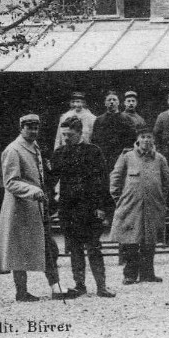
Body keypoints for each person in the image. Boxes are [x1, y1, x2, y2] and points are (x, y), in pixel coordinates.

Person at [0, 114, 79, 302]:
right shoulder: (13, 150)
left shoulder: (35, 147)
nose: (33, 131)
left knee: (49, 247)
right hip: (19, 208)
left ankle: (56, 288)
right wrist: (33, 190)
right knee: (18, 249)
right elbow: (10, 182)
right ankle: (21, 292)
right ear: (21, 128)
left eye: (36, 128)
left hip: (37, 207)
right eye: (29, 127)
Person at [49, 117, 115, 297]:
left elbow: (103, 181)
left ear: (80, 133)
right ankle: (80, 285)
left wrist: (102, 207)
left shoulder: (94, 152)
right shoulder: (59, 153)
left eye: (69, 134)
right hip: (69, 209)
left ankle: (101, 286)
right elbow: (51, 180)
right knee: (75, 248)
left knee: (94, 247)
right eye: (63, 135)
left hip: (91, 208)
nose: (66, 138)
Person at [110, 125, 169, 285]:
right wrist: (120, 200)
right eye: (143, 137)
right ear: (138, 139)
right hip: (131, 207)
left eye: (149, 137)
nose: (146, 140)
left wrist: (161, 200)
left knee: (150, 241)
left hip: (153, 206)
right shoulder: (127, 157)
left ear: (153, 139)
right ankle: (130, 274)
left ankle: (148, 274)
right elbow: (115, 179)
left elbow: (166, 183)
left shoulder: (160, 159)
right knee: (130, 241)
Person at [92, 90, 137, 168]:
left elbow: (132, 138)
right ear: (105, 103)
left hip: (121, 155)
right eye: (109, 100)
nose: (112, 102)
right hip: (104, 156)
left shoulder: (127, 119)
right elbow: (95, 140)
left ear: (119, 102)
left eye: (114, 100)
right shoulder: (99, 120)